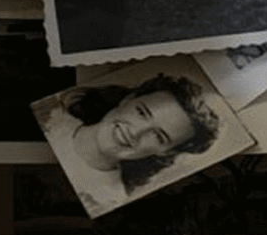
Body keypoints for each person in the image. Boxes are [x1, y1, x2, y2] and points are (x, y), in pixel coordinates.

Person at [35, 74, 220, 216]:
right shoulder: (49, 113)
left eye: (158, 136)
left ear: (165, 152)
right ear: (127, 100)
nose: (135, 132)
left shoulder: (109, 202)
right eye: (141, 112)